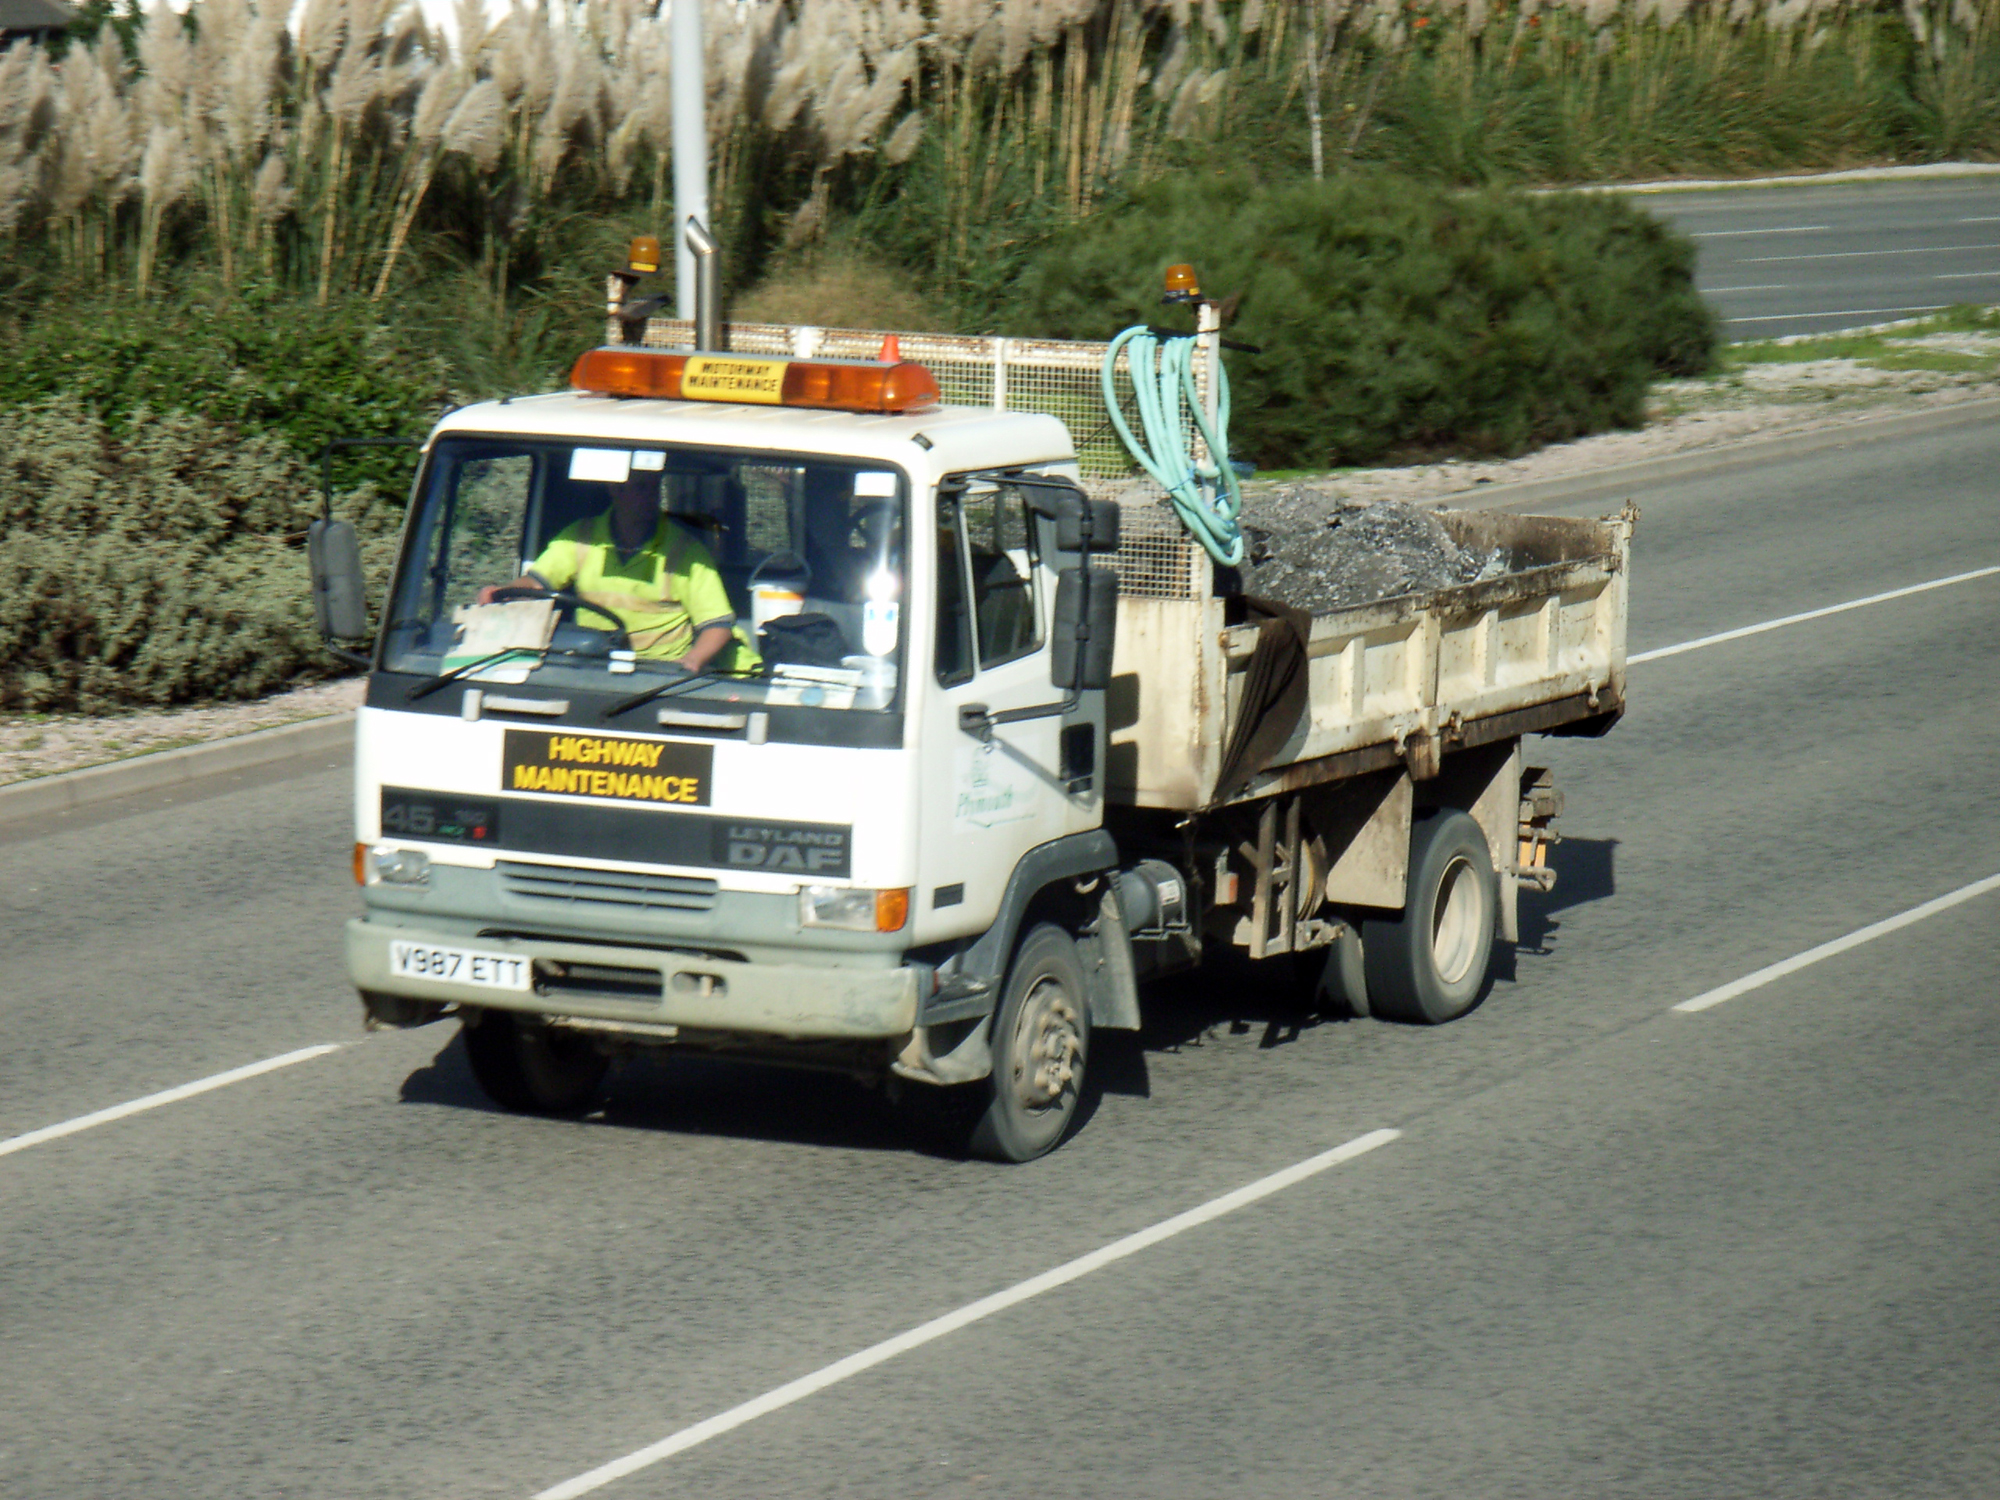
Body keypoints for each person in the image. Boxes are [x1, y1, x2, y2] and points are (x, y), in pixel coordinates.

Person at [480, 465, 754, 672]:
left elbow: (718, 625)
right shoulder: (580, 536)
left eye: (653, 488)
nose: (651, 498)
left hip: (658, 675)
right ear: (616, 490)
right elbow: (537, 584)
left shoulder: (686, 551)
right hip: (588, 667)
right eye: (641, 488)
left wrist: (689, 663)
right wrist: (504, 591)